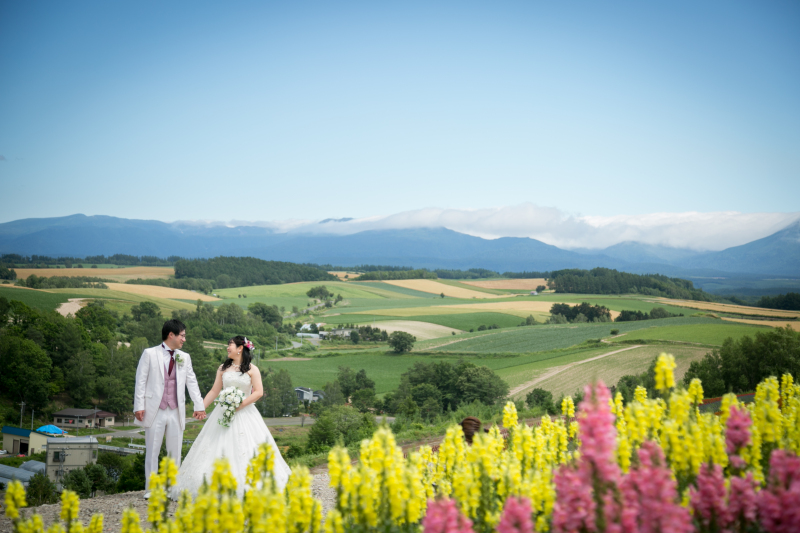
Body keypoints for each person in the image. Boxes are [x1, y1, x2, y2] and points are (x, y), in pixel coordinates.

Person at [175, 335, 291, 497]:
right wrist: (200, 407)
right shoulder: (223, 368)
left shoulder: (252, 369)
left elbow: (258, 392)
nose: (227, 348)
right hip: (222, 413)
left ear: (240, 348)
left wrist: (240, 405)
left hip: (246, 413)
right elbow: (215, 391)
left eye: (230, 345)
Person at [134, 319, 206, 499]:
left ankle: (173, 488)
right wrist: (139, 406)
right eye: (182, 335)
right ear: (171, 335)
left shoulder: (185, 357)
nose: (184, 339)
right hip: (154, 409)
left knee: (175, 450)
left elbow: (192, 382)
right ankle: (151, 489)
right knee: (153, 450)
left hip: (176, 409)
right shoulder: (149, 354)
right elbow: (140, 381)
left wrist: (199, 406)